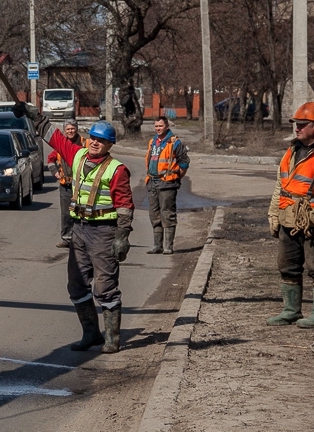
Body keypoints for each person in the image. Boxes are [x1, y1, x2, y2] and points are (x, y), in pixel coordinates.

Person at [20, 105, 134, 353]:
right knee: (77, 285)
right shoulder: (79, 155)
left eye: (101, 141)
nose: (95, 143)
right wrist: (36, 117)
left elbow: (125, 206)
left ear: (109, 145)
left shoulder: (117, 170)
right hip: (79, 231)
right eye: (93, 138)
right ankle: (91, 333)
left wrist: (122, 237)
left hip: (104, 232)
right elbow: (55, 138)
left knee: (105, 287)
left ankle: (112, 338)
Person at [266, 101, 314, 328]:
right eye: (296, 124)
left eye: (302, 124)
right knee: (287, 265)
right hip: (288, 220)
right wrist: (274, 215)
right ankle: (291, 311)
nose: (297, 128)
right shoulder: (291, 152)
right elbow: (280, 187)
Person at [145, 115, 190, 255]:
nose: (158, 128)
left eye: (161, 126)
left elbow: (184, 162)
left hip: (167, 184)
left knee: (167, 214)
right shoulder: (152, 142)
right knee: (154, 214)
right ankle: (157, 245)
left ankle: (168, 246)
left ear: (167, 127)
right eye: (156, 126)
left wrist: (176, 177)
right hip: (152, 182)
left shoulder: (174, 143)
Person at [47, 119, 86, 249]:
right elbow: (50, 160)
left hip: (80, 185)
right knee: (66, 214)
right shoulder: (61, 145)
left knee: (81, 212)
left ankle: (81, 239)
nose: (70, 131)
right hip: (65, 185)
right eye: (68, 129)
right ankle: (67, 239)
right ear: (64, 131)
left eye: (72, 128)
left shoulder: (84, 143)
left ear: (77, 129)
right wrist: (55, 173)